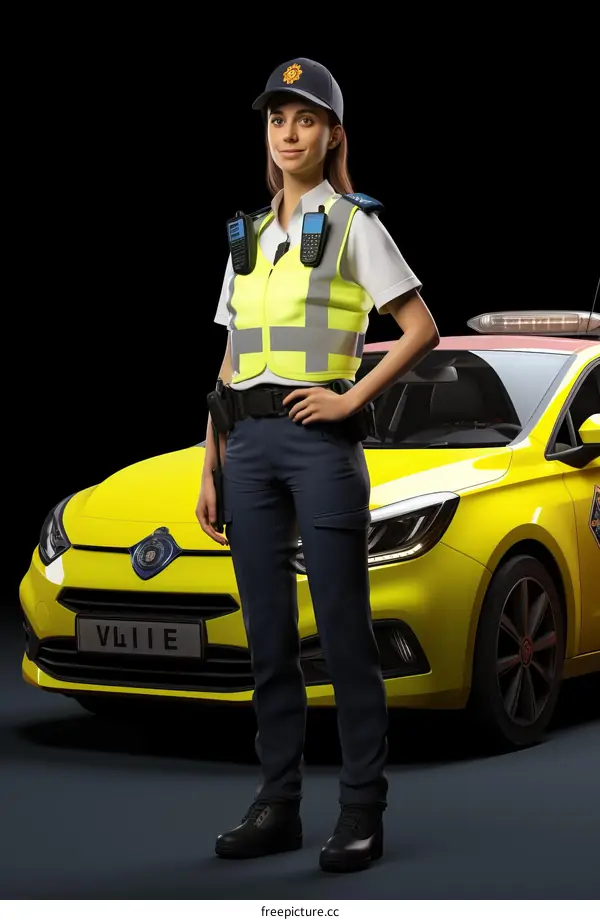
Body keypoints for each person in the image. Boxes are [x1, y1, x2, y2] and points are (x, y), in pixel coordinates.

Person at [196, 57, 439, 873]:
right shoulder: (246, 237)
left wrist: (347, 400)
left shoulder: (352, 223)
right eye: (276, 119)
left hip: (321, 444)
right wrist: (210, 464)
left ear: (332, 133)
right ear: (266, 134)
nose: (289, 133)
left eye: (305, 119)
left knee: (341, 637)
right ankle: (278, 806)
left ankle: (361, 813)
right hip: (249, 449)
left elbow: (419, 328)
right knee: (267, 639)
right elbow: (232, 357)